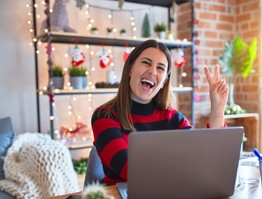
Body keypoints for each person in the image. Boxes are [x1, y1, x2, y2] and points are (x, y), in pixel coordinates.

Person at [91, 39, 228, 185]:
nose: (152, 71)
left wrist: (218, 110)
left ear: (164, 82)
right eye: (146, 62)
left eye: (161, 68)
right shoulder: (105, 117)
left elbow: (204, 159)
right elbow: (131, 170)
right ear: (130, 68)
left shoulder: (174, 118)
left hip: (170, 195)